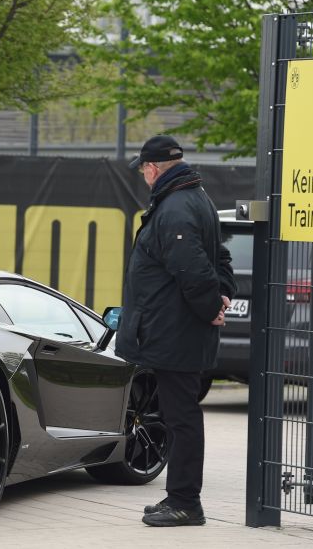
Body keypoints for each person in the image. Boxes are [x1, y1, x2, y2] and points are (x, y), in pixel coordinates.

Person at [115, 134, 236, 527]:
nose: (144, 177)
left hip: (176, 331)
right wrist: (222, 296)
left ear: (151, 169)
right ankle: (179, 498)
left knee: (181, 417)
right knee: (178, 414)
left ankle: (185, 502)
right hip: (177, 329)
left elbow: (192, 267)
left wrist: (210, 307)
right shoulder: (195, 198)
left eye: (144, 171)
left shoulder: (176, 207)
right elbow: (220, 256)